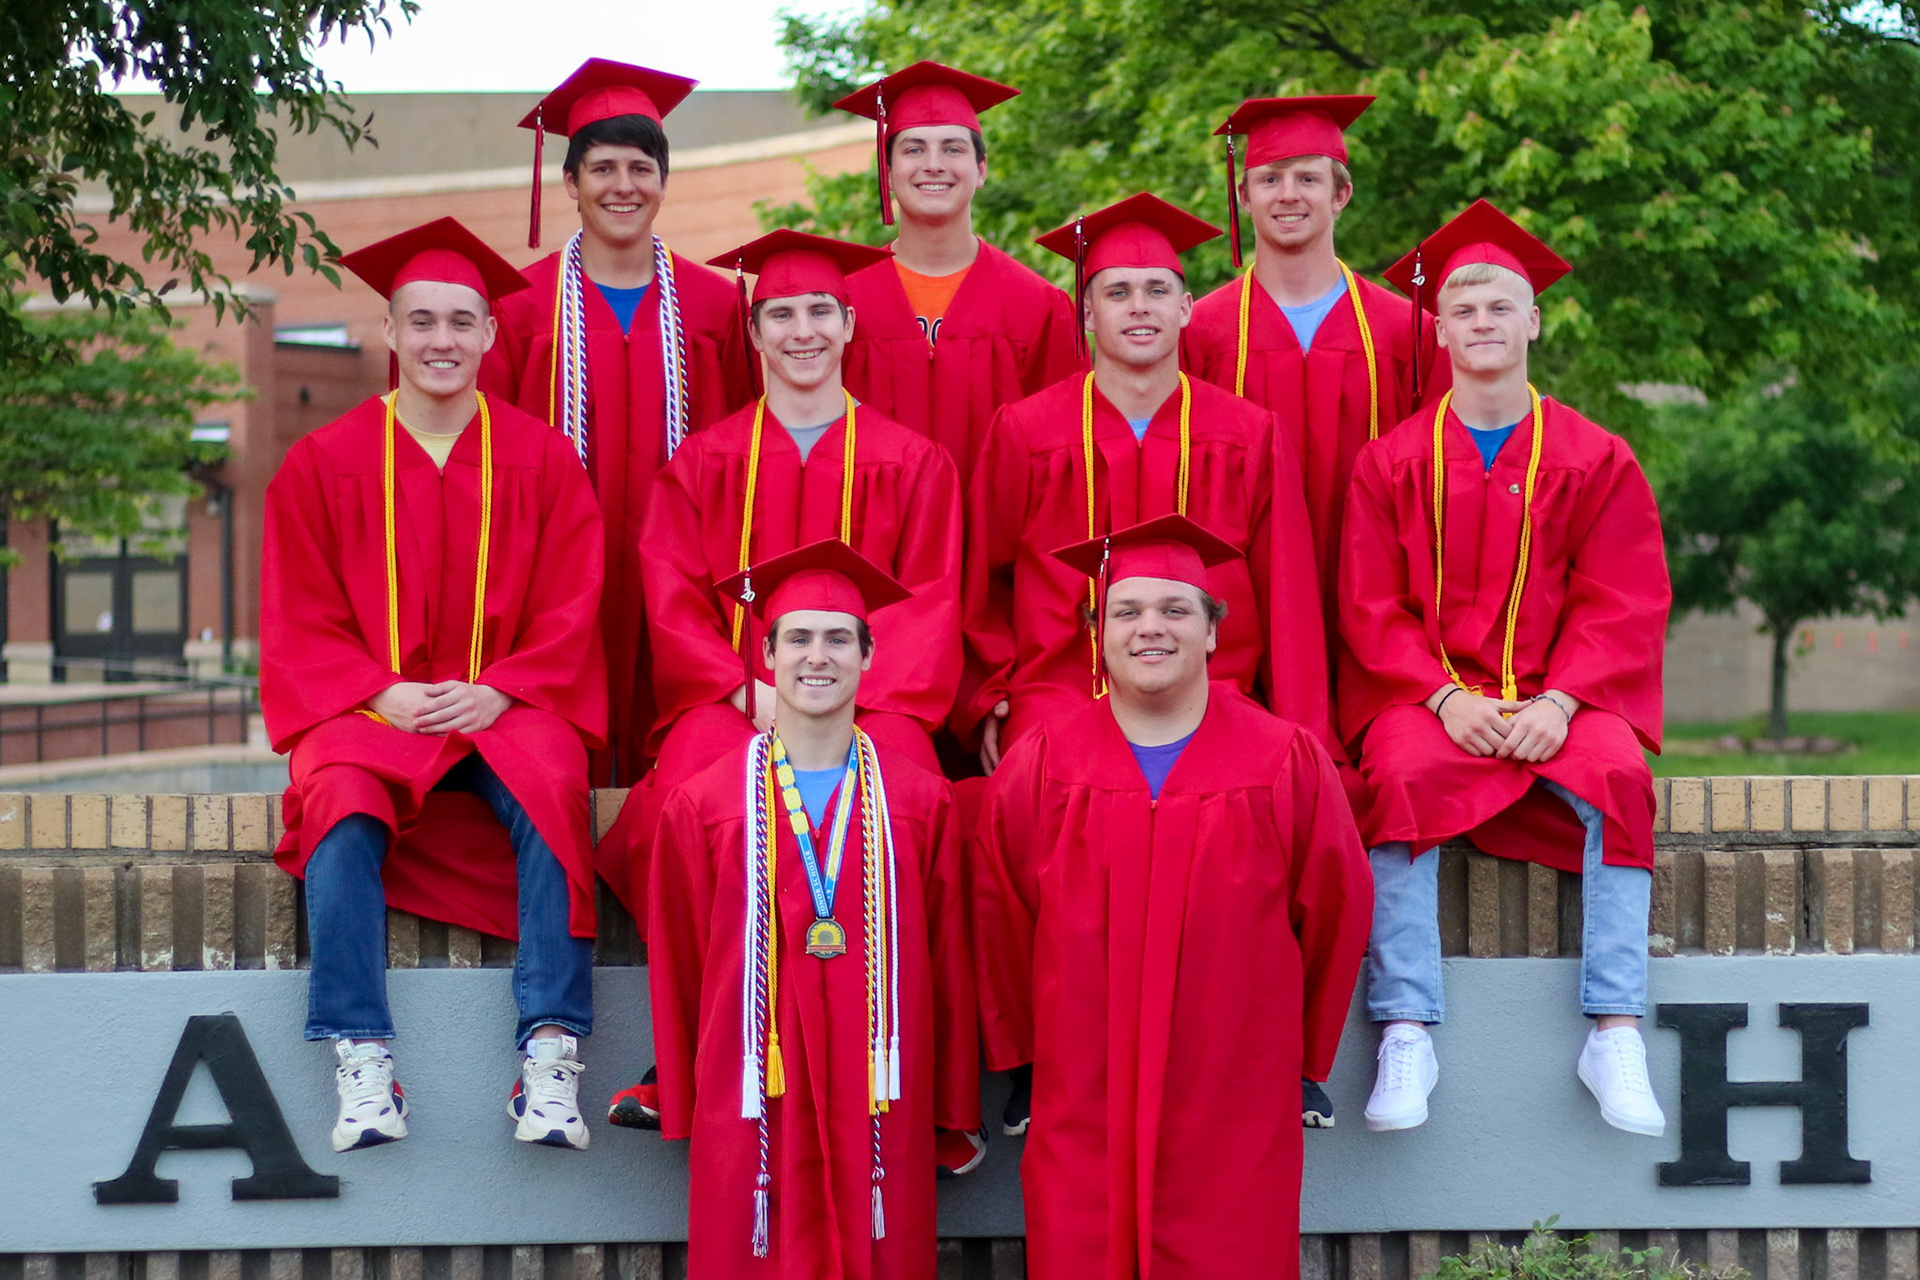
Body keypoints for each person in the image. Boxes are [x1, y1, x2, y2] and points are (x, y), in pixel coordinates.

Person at [602, 229, 963, 1129]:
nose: (803, 331)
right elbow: (672, 599)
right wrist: (746, 690)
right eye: (782, 315)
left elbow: (927, 604)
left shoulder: (914, 462)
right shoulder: (702, 464)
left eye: (820, 313)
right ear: (754, 334)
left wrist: (835, 700)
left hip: (870, 704)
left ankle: (913, 1072)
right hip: (736, 700)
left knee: (913, 795)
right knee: (683, 797)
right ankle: (692, 1049)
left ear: (850, 325)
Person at [262, 218, 608, 1154]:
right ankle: (362, 1052)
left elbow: (572, 602)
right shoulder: (323, 462)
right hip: (371, 707)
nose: (441, 340)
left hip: (504, 703)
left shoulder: (543, 459)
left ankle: (551, 1049)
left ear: (491, 333)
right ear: (390, 331)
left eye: (461, 321)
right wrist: (377, 692)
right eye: (421, 321)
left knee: (554, 786)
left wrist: (504, 689)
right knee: (336, 797)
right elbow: (298, 614)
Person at [1340, 200, 1670, 1136]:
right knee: (1397, 779)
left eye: (1500, 307)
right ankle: (1406, 1026)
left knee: (1619, 777)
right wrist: (1442, 696)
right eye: (1463, 309)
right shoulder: (1391, 463)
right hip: (1429, 697)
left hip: (1564, 697)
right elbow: (1370, 605)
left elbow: (1624, 599)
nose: (1482, 322)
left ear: (1534, 321)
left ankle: (1615, 1028)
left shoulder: (1596, 457)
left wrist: (1561, 703)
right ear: (1438, 331)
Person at [972, 514, 1372, 1280]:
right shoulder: (1044, 764)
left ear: (1213, 632)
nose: (1149, 627)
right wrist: (1031, 1056)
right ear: (1099, 635)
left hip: (1234, 1089)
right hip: (1082, 1089)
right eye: (1126, 611)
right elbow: (1002, 916)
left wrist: (1291, 1050)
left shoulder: (1283, 760)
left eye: (1175, 610)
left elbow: (1335, 909)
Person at [649, 539, 981, 1278]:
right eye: (797, 638)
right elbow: (680, 961)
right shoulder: (706, 805)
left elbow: (949, 964)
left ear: (869, 656)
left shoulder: (920, 802)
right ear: (766, 655)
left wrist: (953, 1105)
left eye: (838, 638)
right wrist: (686, 1094)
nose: (817, 656)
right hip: (752, 1088)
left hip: (880, 1093)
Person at [960, 192, 1328, 772]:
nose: (1139, 307)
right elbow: (983, 578)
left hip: (1213, 689)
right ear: (1087, 315)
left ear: (1185, 309)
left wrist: (1304, 732)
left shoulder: (1247, 434)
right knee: (1039, 770)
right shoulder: (1027, 432)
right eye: (1117, 293)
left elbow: (1287, 592)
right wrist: (990, 693)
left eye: (1157, 291)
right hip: (1062, 691)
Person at [484, 58, 752, 790]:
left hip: (689, 575)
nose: (623, 186)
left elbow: (743, 448)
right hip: (554, 579)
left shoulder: (715, 306)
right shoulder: (520, 308)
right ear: (570, 182)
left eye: (641, 168)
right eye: (602, 168)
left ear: (664, 180)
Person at [1183, 96, 1445, 776]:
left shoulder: (1406, 332)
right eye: (1269, 179)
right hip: (1244, 595)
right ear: (1244, 197)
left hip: (1378, 588)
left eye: (1308, 178)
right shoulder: (1200, 332)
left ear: (1341, 194)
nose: (1288, 194)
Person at [831, 60, 1081, 487]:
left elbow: (1066, 452)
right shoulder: (840, 301)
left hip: (1000, 529)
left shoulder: (1039, 306)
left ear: (981, 170)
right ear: (887, 173)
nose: (933, 165)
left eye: (953, 149)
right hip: (872, 526)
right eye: (913, 149)